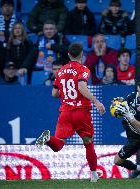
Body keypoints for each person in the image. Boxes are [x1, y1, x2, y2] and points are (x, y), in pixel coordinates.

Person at [35, 43, 106, 182]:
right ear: (82, 55)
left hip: (65, 112)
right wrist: (96, 101)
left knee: (58, 145)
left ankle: (48, 138)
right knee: (88, 142)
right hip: (81, 112)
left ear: (68, 55)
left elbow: (54, 93)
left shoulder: (60, 71)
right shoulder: (84, 69)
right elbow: (81, 87)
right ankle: (93, 175)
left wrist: (67, 91)